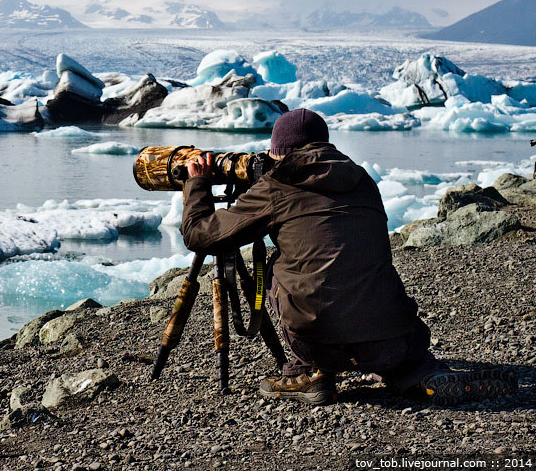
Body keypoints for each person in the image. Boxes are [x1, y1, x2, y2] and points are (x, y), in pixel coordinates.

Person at [181, 108, 518, 406]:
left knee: (277, 268)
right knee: (358, 267)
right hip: (392, 338)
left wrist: (197, 184)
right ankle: (421, 373)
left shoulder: (276, 187)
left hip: (320, 341)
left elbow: (201, 234)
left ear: (279, 153)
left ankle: (309, 374)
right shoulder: (362, 180)